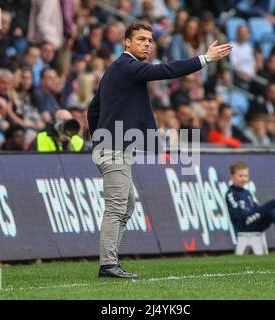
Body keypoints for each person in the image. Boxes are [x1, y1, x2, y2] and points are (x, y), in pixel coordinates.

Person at [87, 23, 232, 279]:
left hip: (112, 146)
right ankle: (108, 265)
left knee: (126, 206)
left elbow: (93, 109)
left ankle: (110, 262)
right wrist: (205, 58)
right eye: (141, 39)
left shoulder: (117, 71)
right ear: (127, 43)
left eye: (150, 40)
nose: (147, 44)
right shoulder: (127, 66)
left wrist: (97, 136)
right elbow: (165, 70)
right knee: (117, 207)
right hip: (113, 148)